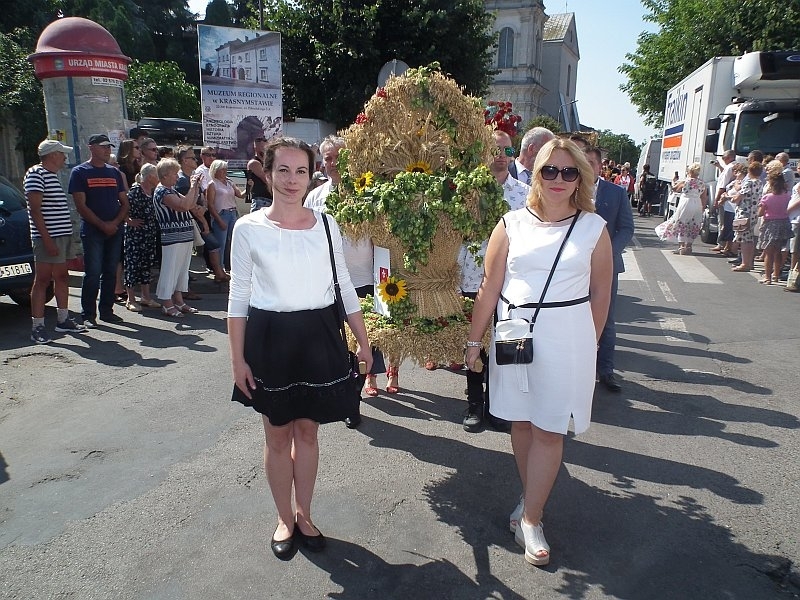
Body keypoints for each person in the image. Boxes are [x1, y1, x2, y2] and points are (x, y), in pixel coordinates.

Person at [464, 138, 612, 566]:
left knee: (550, 429)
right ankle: (530, 500)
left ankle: (531, 518)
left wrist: (590, 343)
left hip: (568, 338)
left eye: (569, 172)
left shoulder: (593, 228)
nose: (559, 179)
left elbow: (601, 293)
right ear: (536, 174)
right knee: (522, 423)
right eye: (550, 170)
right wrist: (473, 342)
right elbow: (489, 286)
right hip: (515, 334)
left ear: (581, 178)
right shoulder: (511, 224)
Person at [227, 137, 372, 559]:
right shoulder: (248, 228)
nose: (292, 180)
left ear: (312, 175)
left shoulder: (327, 225)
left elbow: (344, 285)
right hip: (269, 337)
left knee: (308, 431)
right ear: (267, 173)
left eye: (301, 171)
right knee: (277, 435)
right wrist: (237, 360)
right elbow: (238, 296)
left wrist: (364, 343)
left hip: (318, 334)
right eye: (284, 170)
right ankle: (283, 519)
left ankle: (304, 514)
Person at [305, 135, 390, 429]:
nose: (333, 163)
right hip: (327, 285)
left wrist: (384, 278)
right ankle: (345, 399)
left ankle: (355, 397)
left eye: (338, 157)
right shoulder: (315, 198)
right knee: (337, 347)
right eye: (328, 158)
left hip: (363, 280)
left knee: (363, 346)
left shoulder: (369, 194)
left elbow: (382, 239)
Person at [458, 129, 530, 432]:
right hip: (473, 280)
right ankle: (475, 403)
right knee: (474, 342)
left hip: (511, 284)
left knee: (505, 345)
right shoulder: (467, 192)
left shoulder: (525, 195)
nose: (502, 156)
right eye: (495, 149)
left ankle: (500, 405)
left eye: (508, 150)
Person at [23, 139, 86, 343]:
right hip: (48, 237)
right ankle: (37, 327)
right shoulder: (36, 174)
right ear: (52, 155)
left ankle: (63, 319)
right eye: (61, 153)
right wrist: (47, 240)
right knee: (42, 280)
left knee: (62, 277)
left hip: (61, 235)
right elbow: (35, 210)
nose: (65, 157)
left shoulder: (51, 175)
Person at [585, 146, 634, 393]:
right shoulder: (570, 190)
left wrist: (608, 254)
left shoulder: (616, 193)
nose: (586, 167)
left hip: (607, 267)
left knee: (606, 318)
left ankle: (606, 370)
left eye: (591, 163)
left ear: (600, 166)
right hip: (575, 267)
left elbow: (626, 228)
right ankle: (580, 369)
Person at [69, 134, 130, 327]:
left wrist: (115, 223)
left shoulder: (114, 173)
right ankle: (88, 315)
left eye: (109, 146)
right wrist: (103, 225)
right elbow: (81, 206)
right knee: (93, 273)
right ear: (91, 147)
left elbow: (124, 202)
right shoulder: (79, 172)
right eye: (103, 146)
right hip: (93, 231)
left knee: (111, 272)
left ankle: (107, 311)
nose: (107, 150)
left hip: (115, 230)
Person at [152, 158, 202, 316]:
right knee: (170, 270)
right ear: (165, 175)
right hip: (172, 237)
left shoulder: (171, 190)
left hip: (183, 236)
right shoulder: (162, 192)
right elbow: (183, 206)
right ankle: (167, 303)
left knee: (181, 270)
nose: (177, 177)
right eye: (174, 173)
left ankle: (179, 301)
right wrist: (192, 186)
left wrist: (196, 187)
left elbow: (190, 204)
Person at [175, 147, 229, 283]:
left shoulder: (192, 176)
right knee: (212, 244)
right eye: (193, 158)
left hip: (198, 218)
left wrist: (204, 207)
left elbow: (202, 198)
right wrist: (204, 222)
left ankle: (218, 273)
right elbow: (190, 206)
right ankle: (217, 274)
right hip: (190, 221)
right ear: (184, 161)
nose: (196, 160)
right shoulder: (182, 180)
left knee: (211, 245)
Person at [122, 163, 161, 312]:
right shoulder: (135, 191)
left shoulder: (153, 191)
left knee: (146, 265)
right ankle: (130, 299)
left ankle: (146, 297)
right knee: (132, 265)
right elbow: (122, 205)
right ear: (150, 176)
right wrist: (128, 220)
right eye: (156, 175)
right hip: (135, 235)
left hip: (149, 234)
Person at [656, 162, 707, 255]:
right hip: (697, 204)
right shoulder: (702, 183)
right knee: (693, 224)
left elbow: (674, 189)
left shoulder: (685, 181)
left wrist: (673, 181)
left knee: (681, 223)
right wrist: (702, 207)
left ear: (690, 171)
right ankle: (689, 246)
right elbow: (704, 197)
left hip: (686, 202)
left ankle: (682, 246)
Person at [756, 160, 792, 285]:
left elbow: (760, 213)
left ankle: (767, 277)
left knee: (768, 252)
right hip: (784, 223)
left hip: (770, 224)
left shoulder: (767, 197)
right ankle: (776, 274)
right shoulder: (788, 195)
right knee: (778, 251)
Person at [207, 159, 245, 272]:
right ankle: (220, 269)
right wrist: (219, 220)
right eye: (222, 169)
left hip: (233, 213)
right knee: (221, 243)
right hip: (222, 214)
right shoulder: (212, 184)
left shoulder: (229, 182)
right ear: (215, 170)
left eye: (225, 169)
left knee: (232, 241)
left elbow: (240, 195)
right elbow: (210, 205)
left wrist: (249, 187)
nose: (225, 171)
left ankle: (230, 266)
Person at [730, 162, 764, 273]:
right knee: (749, 238)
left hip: (745, 212)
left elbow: (738, 197)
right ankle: (749, 262)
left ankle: (745, 263)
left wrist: (731, 198)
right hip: (753, 213)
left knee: (744, 239)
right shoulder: (760, 182)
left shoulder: (749, 182)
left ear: (749, 171)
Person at [710, 150, 737, 254]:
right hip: (727, 198)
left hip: (724, 198)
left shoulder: (730, 167)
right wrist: (719, 167)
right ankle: (724, 244)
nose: (723, 160)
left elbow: (722, 185)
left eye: (724, 158)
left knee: (722, 222)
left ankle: (721, 244)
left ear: (729, 157)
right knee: (725, 222)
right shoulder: (731, 166)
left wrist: (716, 200)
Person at [246, 135, 273, 212]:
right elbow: (266, 179)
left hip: (270, 200)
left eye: (266, 147)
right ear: (256, 148)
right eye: (263, 147)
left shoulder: (267, 162)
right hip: (261, 201)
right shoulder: (254, 163)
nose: (265, 150)